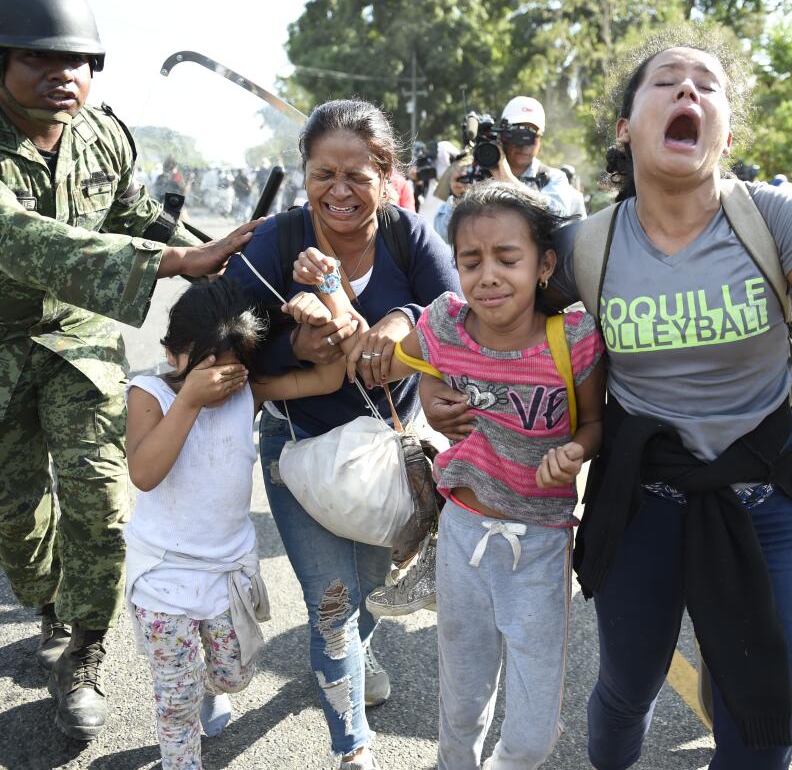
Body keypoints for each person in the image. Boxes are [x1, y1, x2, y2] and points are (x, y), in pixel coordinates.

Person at [424, 28, 792, 769]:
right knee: (627, 689)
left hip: (760, 504)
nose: (687, 92)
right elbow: (486, 305)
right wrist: (428, 373)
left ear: (726, 130)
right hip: (642, 504)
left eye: (706, 85)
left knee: (766, 724)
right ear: (626, 127)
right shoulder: (586, 247)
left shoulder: (774, 218)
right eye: (667, 81)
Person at [0, 0, 255, 742]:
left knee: (101, 495)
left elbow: (133, 213)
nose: (64, 76)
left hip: (77, 334)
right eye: (40, 62)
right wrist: (170, 264)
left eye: (78, 62)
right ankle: (50, 600)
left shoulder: (104, 134)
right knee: (14, 509)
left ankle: (83, 645)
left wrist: (219, 261)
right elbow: (16, 238)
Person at [295, 180, 605, 769]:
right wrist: (433, 397)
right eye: (470, 260)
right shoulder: (446, 322)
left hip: (541, 549)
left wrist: (578, 450)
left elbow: (595, 422)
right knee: (462, 705)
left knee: (535, 733)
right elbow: (405, 360)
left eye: (507, 259)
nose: (488, 275)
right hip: (462, 536)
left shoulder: (575, 340)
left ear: (545, 265)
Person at [225, 98, 459, 770]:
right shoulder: (276, 240)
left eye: (358, 174)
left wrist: (402, 320)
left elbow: (459, 312)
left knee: (367, 596)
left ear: (388, 176)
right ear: (304, 174)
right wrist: (295, 341)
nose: (339, 191)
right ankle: (352, 745)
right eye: (323, 173)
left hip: (393, 459)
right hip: (301, 460)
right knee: (332, 605)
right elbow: (224, 341)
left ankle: (356, 653)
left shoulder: (409, 237)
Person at [126, 276, 353, 770]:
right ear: (172, 354)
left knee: (235, 674)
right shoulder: (149, 394)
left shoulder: (245, 393)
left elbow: (329, 379)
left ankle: (211, 687)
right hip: (163, 575)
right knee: (176, 700)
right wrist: (188, 399)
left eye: (233, 370)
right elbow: (144, 473)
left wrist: (326, 305)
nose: (221, 382)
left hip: (227, 572)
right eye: (208, 368)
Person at [491, 95, 587, 220]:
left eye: (532, 136)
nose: (525, 145)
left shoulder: (553, 178)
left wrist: (507, 179)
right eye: (519, 135)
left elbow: (556, 215)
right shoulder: (478, 172)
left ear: (540, 139)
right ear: (503, 136)